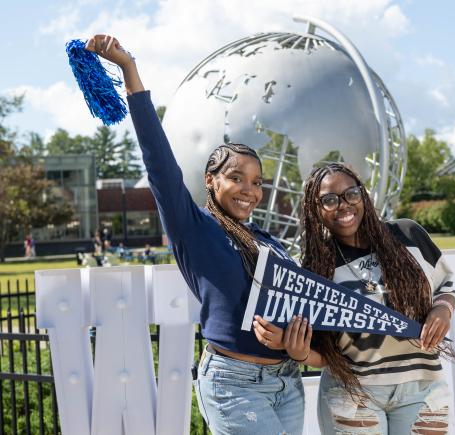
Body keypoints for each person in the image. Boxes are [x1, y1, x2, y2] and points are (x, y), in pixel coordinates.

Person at [86, 35, 304, 434]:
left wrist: (295, 341)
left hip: (287, 382)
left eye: (257, 183)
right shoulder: (195, 228)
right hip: (235, 385)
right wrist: (129, 70)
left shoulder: (269, 241)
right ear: (211, 181)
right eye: (236, 178)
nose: (249, 190)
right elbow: (159, 162)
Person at [259, 163, 455, 434]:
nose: (343, 205)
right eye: (328, 200)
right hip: (353, 394)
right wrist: (299, 352)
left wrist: (443, 308)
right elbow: (325, 355)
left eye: (350, 194)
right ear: (315, 210)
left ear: (363, 195)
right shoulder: (315, 269)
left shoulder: (407, 234)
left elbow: (446, 282)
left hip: (422, 388)